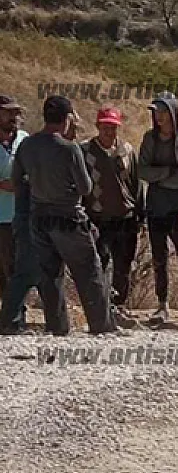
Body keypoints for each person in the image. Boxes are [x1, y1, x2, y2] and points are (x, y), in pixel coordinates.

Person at [11, 95, 117, 335]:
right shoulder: (69, 149)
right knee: (88, 270)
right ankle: (102, 326)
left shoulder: (27, 144)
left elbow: (18, 180)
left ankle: (57, 327)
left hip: (39, 216)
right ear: (67, 118)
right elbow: (86, 187)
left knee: (50, 274)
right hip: (68, 216)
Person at [138, 92, 178, 323]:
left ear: (173, 113)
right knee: (158, 257)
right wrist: (166, 173)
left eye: (163, 112)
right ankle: (162, 304)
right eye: (156, 113)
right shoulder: (149, 139)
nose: (159, 117)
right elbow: (142, 171)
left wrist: (157, 176)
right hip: (155, 206)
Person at [82, 106, 143, 327]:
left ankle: (119, 307)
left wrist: (139, 215)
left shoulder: (127, 150)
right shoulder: (85, 151)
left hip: (126, 217)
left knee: (123, 265)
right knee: (100, 263)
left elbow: (136, 184)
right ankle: (101, 308)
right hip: (98, 218)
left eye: (113, 127)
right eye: (105, 126)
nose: (109, 131)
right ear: (98, 126)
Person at [0, 95, 29, 294]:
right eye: (8, 112)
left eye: (15, 112)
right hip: (1, 216)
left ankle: (15, 316)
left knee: (18, 268)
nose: (13, 116)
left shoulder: (24, 139)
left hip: (21, 214)